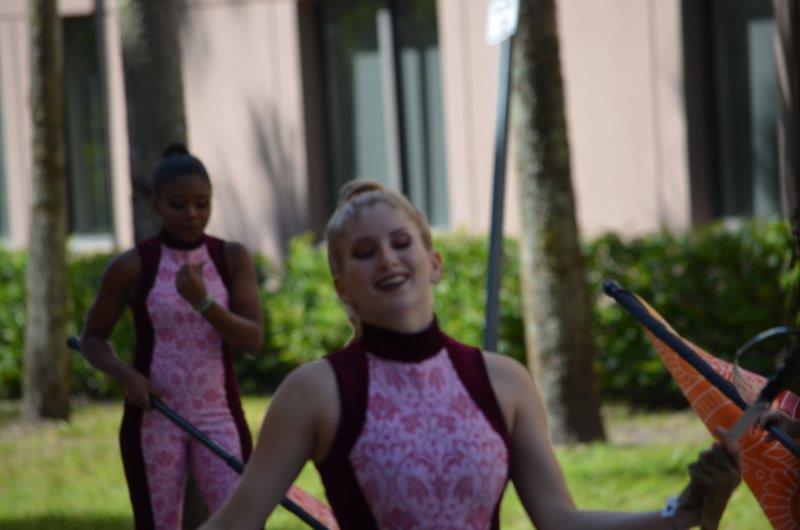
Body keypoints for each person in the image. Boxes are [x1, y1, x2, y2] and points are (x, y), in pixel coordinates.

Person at [200, 180, 740, 530]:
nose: (387, 259)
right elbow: (238, 520)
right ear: (343, 289)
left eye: (401, 243)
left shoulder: (503, 380)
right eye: (364, 253)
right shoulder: (316, 392)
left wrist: (679, 511)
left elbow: (560, 520)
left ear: (434, 262)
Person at [80, 144, 263, 530]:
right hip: (155, 417)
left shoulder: (230, 257)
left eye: (202, 203)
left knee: (241, 521)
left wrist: (203, 302)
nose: (191, 213)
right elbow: (92, 338)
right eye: (178, 204)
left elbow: (253, 339)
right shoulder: (132, 265)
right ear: (156, 205)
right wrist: (126, 375)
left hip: (219, 415)